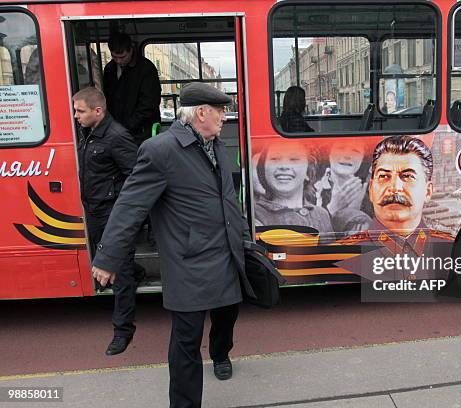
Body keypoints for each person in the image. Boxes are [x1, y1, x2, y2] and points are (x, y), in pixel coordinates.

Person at [91, 83, 255, 408]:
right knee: (185, 342)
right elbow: (130, 206)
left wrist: (244, 238)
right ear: (201, 113)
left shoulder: (217, 145)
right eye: (220, 110)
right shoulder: (160, 150)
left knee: (227, 317)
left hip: (226, 254)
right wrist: (108, 257)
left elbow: (228, 200)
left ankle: (221, 354)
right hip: (189, 262)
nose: (225, 116)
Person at [73, 87, 139, 355]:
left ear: (97, 111)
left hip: (112, 214)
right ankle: (137, 272)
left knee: (119, 273)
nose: (75, 116)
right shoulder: (88, 132)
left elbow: (136, 176)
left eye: (80, 111)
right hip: (95, 209)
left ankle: (123, 331)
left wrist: (117, 205)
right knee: (116, 267)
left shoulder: (116, 137)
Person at [336, 135, 453, 281]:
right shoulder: (342, 255)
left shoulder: (451, 250)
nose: (395, 188)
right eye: (384, 176)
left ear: (428, 191)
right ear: (371, 189)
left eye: (408, 176)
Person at [254, 141, 333, 236]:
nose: (284, 166)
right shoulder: (253, 214)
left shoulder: (322, 215)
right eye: (274, 159)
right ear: (263, 170)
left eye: (294, 159)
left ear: (308, 172)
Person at [103, 32, 161, 146]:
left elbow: (149, 104)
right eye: (114, 57)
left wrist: (126, 126)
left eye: (122, 57)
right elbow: (108, 98)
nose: (118, 61)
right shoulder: (109, 69)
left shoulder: (146, 69)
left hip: (142, 130)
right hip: (117, 129)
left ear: (131, 50)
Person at [314, 141, 372, 233]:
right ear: (328, 153)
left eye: (355, 151)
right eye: (340, 148)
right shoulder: (310, 191)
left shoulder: (371, 196)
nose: (347, 156)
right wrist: (333, 208)